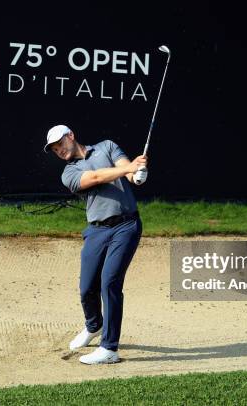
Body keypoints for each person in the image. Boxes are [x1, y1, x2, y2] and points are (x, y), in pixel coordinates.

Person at [44, 124, 147, 364]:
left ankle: (109, 348)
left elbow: (127, 172)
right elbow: (95, 177)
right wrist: (129, 169)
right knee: (86, 287)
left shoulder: (107, 147)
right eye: (54, 149)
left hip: (126, 226)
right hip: (96, 230)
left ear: (71, 135)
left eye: (60, 143)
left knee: (109, 282)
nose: (58, 150)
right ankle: (94, 325)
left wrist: (137, 174)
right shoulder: (68, 173)